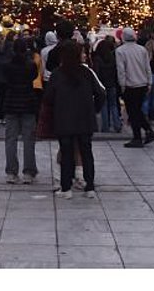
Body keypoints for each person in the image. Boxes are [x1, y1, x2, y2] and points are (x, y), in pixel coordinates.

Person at [45, 40, 105, 199]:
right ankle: (89, 186)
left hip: (64, 119)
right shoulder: (87, 73)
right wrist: (95, 109)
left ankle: (66, 188)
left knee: (66, 152)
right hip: (85, 118)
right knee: (86, 152)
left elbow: (49, 97)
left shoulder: (57, 74)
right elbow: (100, 93)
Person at [2, 38, 39, 184]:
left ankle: (11, 171)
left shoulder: (7, 65)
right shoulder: (30, 65)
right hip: (27, 102)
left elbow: (5, 79)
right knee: (28, 139)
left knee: (10, 139)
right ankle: (29, 172)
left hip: (11, 102)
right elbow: (34, 77)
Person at [116, 27, 154, 148]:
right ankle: (147, 131)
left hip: (130, 85)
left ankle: (138, 136)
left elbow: (121, 69)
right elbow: (147, 67)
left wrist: (122, 84)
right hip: (142, 83)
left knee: (133, 112)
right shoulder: (142, 49)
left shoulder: (120, 51)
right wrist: (149, 82)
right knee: (137, 110)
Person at [93, 35, 122, 134]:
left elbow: (97, 72)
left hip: (102, 84)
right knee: (113, 105)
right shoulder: (113, 58)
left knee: (104, 106)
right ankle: (117, 125)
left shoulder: (97, 59)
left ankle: (105, 126)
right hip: (112, 83)